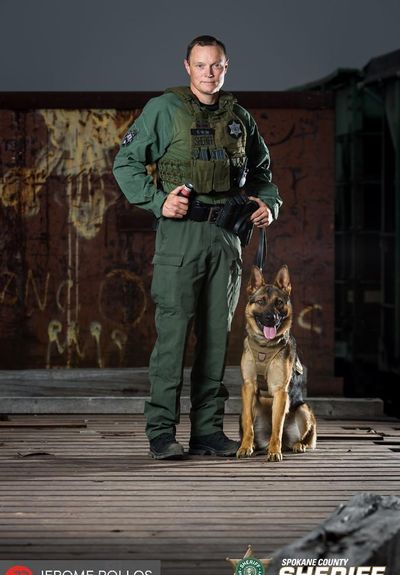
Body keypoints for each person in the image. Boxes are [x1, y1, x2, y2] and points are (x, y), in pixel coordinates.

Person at [113, 35, 282, 459]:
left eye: (217, 65)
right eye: (201, 65)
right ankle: (161, 433)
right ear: (186, 66)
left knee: (214, 340)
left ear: (227, 68)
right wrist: (157, 201)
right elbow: (126, 162)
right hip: (182, 236)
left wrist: (269, 204)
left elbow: (262, 171)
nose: (209, 73)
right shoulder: (163, 110)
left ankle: (207, 431)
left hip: (226, 237)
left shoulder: (239, 116)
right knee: (172, 337)